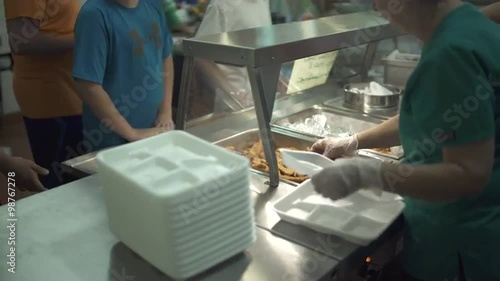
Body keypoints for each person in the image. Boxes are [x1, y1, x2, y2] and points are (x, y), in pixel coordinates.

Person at [310, 1, 500, 281]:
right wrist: (353, 141)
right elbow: (434, 116)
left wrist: (368, 174)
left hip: (457, 249)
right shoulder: (468, 24)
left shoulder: (449, 54)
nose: (377, 5)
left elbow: (469, 174)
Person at [72, 0, 175, 152]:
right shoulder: (95, 14)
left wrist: (165, 112)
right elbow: (88, 85)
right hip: (113, 137)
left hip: (154, 129)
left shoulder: (153, 5)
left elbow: (165, 58)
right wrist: (132, 133)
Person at [4, 0, 84, 189]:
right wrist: (85, 39)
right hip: (51, 99)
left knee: (78, 177)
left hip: (72, 91)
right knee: (64, 184)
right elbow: (21, 41)